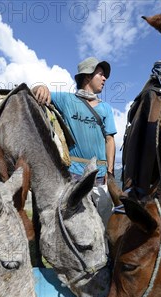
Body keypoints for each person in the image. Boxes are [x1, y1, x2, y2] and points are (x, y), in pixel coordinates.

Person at [33, 57, 117, 224]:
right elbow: (38, 91)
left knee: (102, 223)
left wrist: (110, 171)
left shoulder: (106, 108)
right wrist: (40, 87)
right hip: (73, 173)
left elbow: (109, 140)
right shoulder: (66, 100)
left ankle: (105, 250)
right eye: (100, 74)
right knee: (74, 222)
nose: (104, 78)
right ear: (87, 77)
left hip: (99, 175)